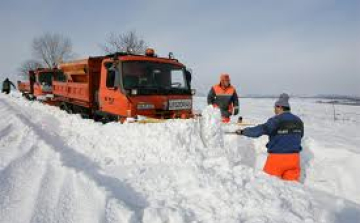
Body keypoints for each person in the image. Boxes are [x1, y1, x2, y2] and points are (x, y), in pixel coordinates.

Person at [236, 93, 304, 181]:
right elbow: (300, 136)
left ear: (280, 107)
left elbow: (259, 130)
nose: (274, 110)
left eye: (275, 107)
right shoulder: (298, 121)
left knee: (268, 186)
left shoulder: (276, 120)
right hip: (294, 159)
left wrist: (243, 131)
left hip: (277, 159)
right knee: (292, 189)